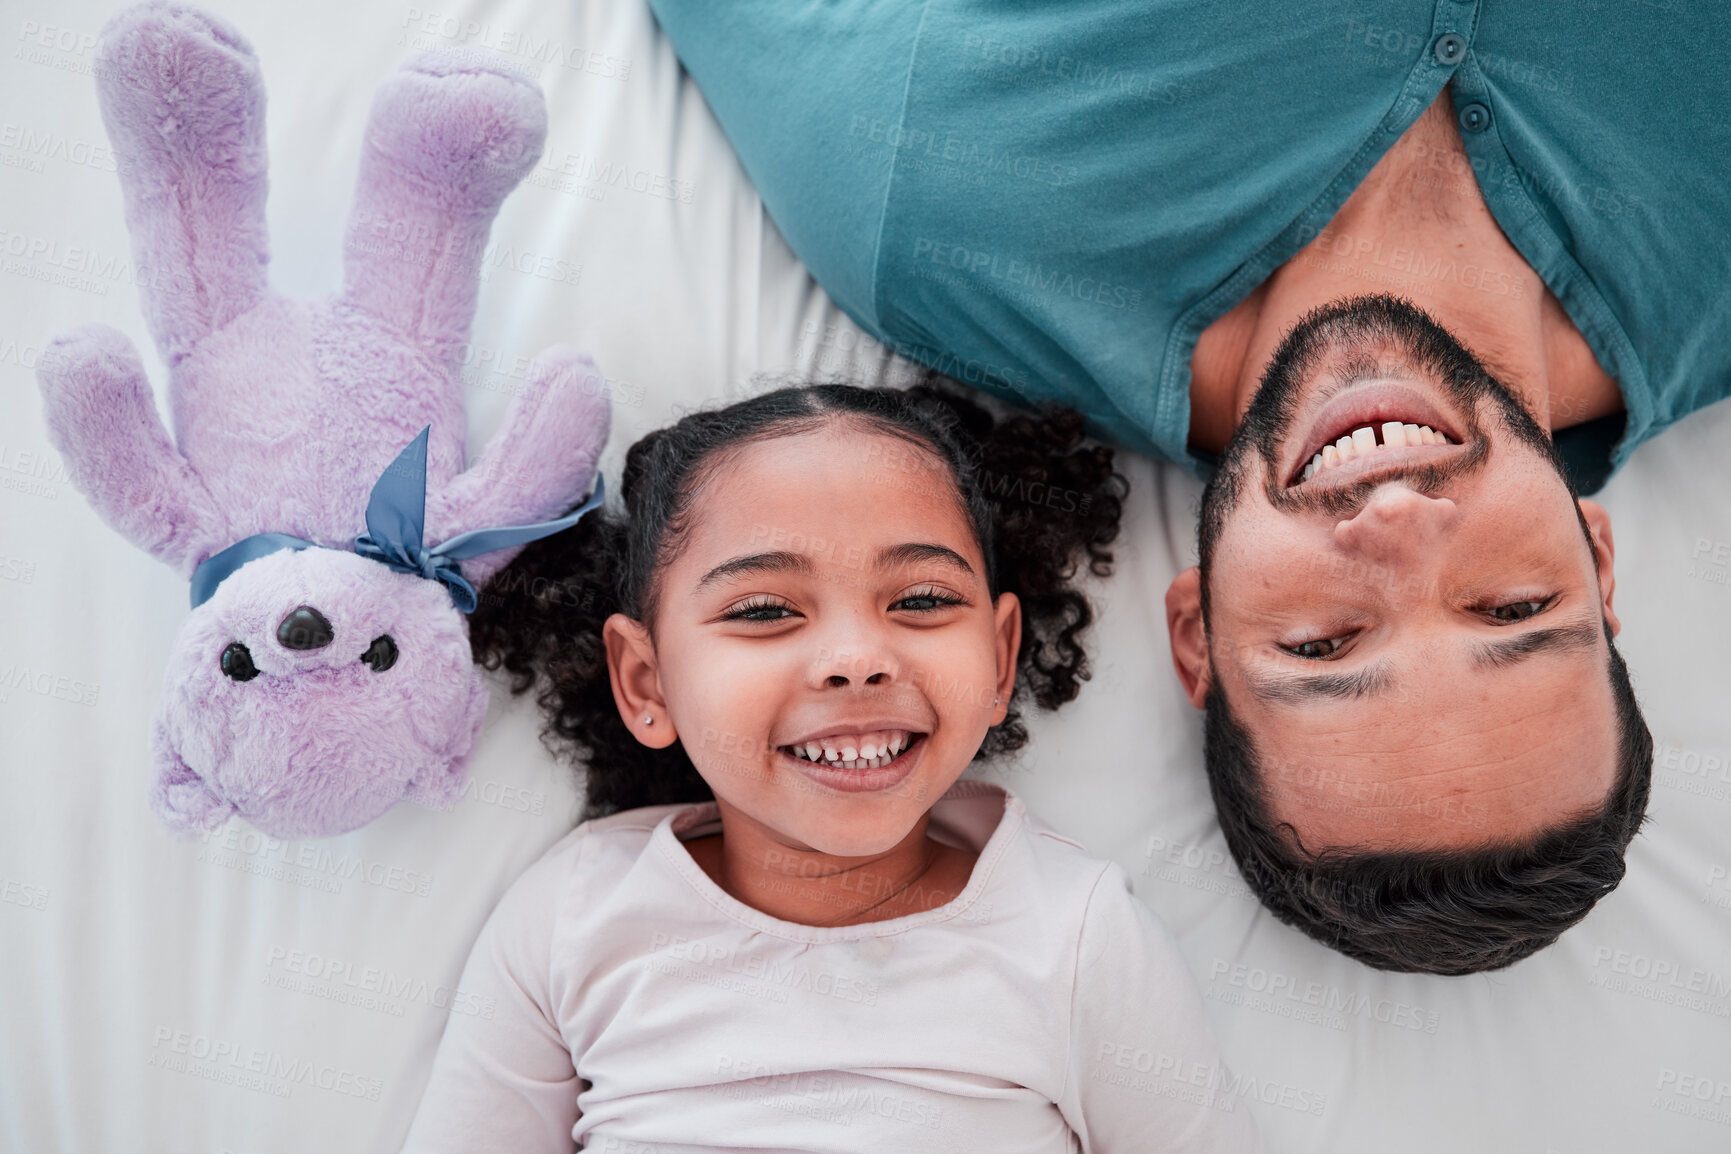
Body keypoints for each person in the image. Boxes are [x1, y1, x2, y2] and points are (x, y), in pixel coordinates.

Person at [633, 2, 1729, 972]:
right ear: (1595, 556)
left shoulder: (933, 210)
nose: (1397, 520)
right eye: (1511, 607)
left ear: (1199, 626)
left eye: (1325, 641)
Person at [399, 381, 1263, 1152]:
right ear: (645, 679)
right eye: (767, 610)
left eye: (921, 599)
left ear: (1000, 661)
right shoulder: (572, 918)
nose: (855, 659)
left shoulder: (1077, 939)